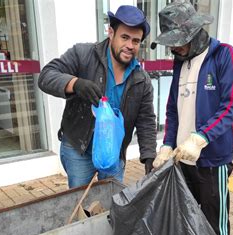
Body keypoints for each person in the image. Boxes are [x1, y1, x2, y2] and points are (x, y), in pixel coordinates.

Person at [152, 1, 233, 235]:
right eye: (171, 43)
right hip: (183, 159)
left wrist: (200, 138)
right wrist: (168, 144)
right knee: (188, 220)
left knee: (215, 225)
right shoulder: (180, 61)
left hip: (212, 161)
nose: (174, 48)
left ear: (195, 31)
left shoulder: (224, 55)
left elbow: (230, 107)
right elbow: (173, 109)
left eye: (178, 40)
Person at [38, 5, 157, 188]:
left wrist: (148, 154)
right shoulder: (83, 54)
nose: (130, 46)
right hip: (79, 149)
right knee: (79, 203)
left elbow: (146, 120)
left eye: (136, 41)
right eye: (124, 37)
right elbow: (46, 76)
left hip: (114, 154)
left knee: (111, 204)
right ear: (111, 32)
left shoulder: (141, 80)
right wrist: (75, 84)